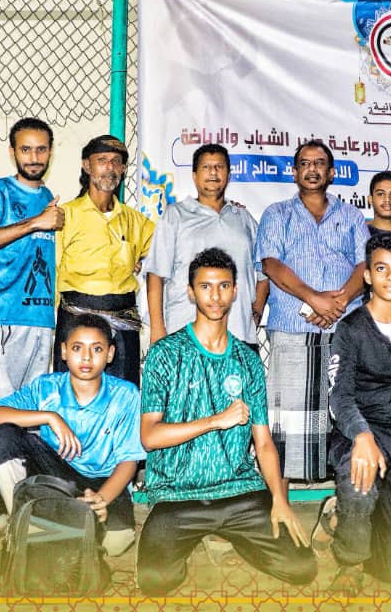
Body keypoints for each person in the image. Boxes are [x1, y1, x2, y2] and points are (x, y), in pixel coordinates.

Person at [136, 248, 317, 595]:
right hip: (178, 495)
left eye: (223, 286)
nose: (215, 296)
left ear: (235, 291)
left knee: (301, 568)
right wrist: (215, 421)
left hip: (239, 492)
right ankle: (200, 536)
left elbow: (263, 443)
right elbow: (150, 437)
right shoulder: (166, 354)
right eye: (205, 287)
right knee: (155, 582)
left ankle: (234, 537)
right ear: (191, 292)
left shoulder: (247, 359)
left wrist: (280, 498)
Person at [0, 313, 145, 557]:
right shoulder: (46, 387)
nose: (86, 357)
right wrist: (49, 417)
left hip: (104, 481)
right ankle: (21, 522)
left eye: (97, 349)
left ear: (110, 354)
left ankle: (62, 526)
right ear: (64, 351)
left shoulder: (125, 395)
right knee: (4, 434)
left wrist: (101, 499)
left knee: (116, 543)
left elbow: (129, 461)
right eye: (77, 348)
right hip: (57, 477)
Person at [254, 139, 369, 483]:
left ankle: (342, 497)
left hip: (344, 327)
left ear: (331, 173)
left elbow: (366, 264)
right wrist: (314, 298)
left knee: (343, 411)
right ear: (294, 172)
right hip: (292, 327)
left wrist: (338, 303)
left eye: (320, 163)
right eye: (305, 163)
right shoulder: (277, 214)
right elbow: (271, 265)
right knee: (287, 419)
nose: (312, 169)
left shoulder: (351, 216)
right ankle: (281, 500)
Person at [0, 117, 61, 531]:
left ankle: (28, 506)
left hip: (43, 323)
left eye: (41, 149)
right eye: (26, 149)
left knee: (34, 420)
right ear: (12, 152)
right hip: (4, 322)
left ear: (50, 152)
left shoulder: (53, 203)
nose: (34, 157)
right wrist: (35, 222)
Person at [325, 233, 391, 592]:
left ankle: (348, 517)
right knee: (359, 480)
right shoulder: (351, 329)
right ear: (367, 275)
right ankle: (349, 560)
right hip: (362, 433)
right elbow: (339, 396)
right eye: (381, 269)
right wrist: (362, 436)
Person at [145, 143, 267, 351]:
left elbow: (264, 272)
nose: (213, 172)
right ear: (194, 176)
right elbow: (156, 274)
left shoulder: (243, 218)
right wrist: (158, 329)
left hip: (239, 338)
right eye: (206, 167)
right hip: (185, 337)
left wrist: (255, 312)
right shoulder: (176, 215)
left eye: (219, 167)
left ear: (228, 175)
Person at [56, 135, 154, 383]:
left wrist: (142, 261)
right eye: (102, 160)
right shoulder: (66, 215)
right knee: (72, 394)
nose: (109, 167)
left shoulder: (136, 221)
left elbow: (164, 254)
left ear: (123, 169)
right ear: (87, 166)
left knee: (123, 393)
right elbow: (51, 272)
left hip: (123, 323)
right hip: (75, 319)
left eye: (116, 161)